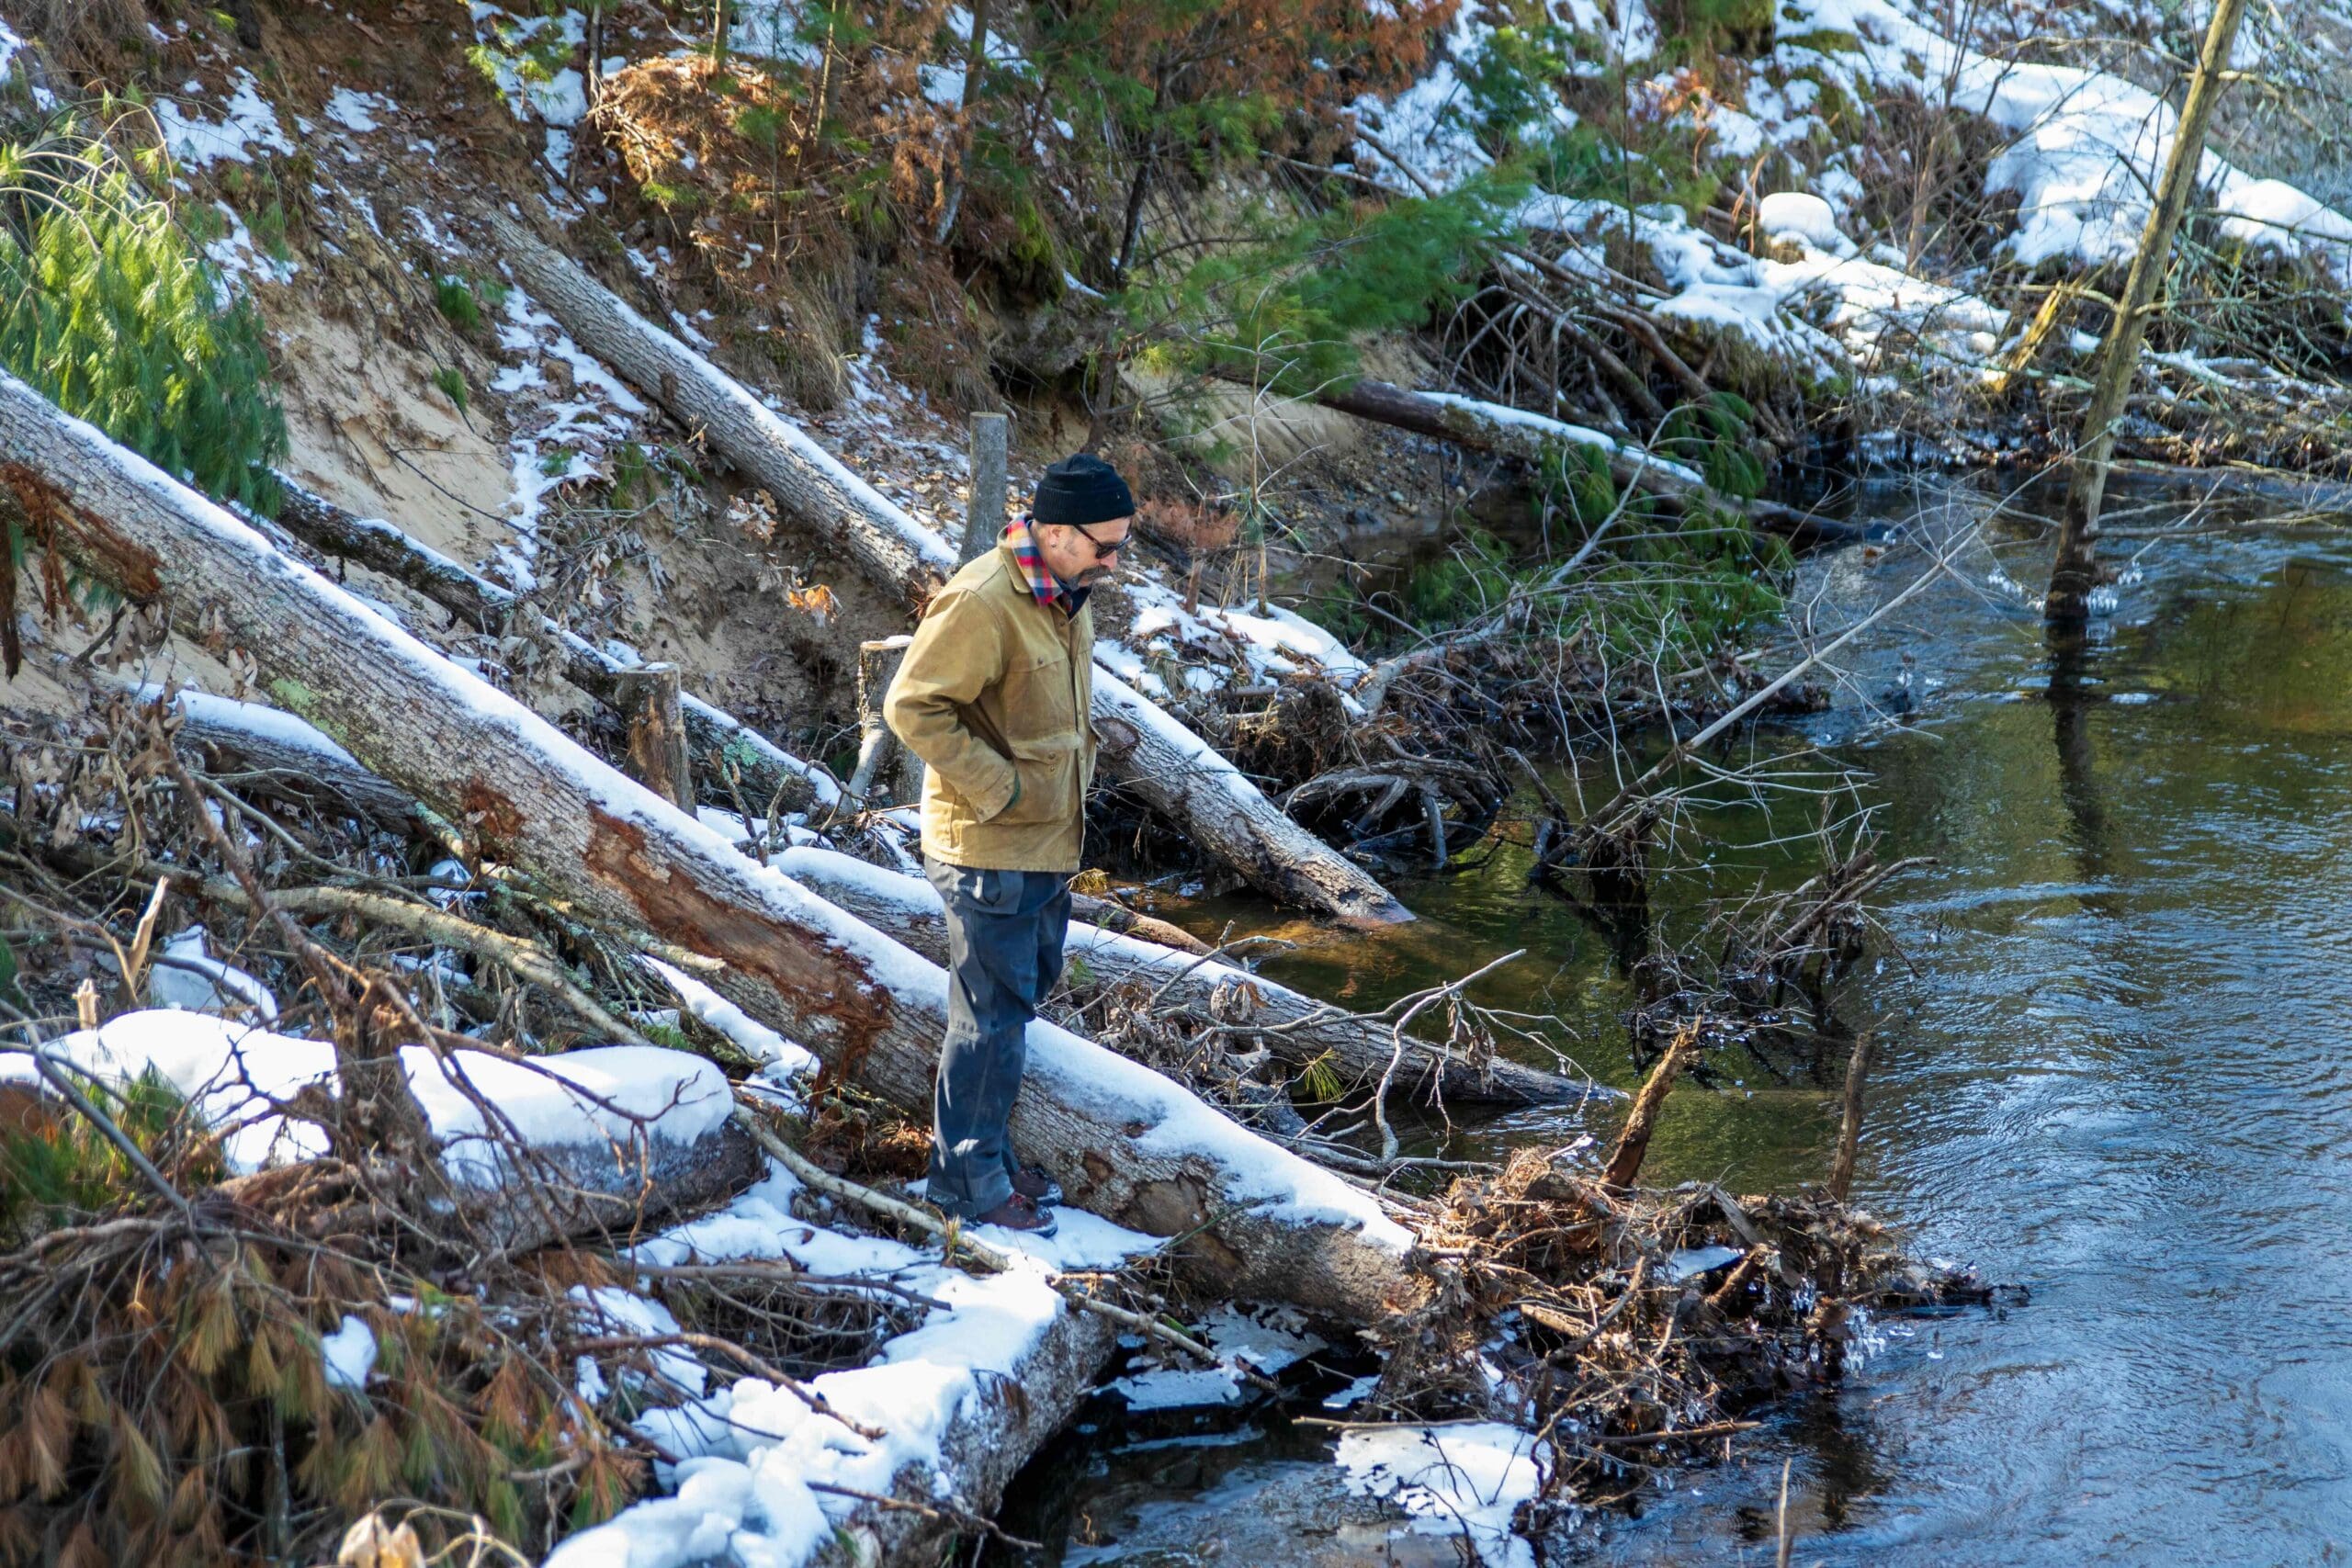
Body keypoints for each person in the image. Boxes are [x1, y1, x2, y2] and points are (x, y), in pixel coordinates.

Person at [881, 452, 1136, 1235]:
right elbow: (912, 706)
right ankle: (965, 1183)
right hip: (987, 847)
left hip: (1045, 844)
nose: (1114, 563)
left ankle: (987, 1153)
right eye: (1104, 547)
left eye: (1120, 546)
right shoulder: (984, 599)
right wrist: (1002, 788)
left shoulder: (1067, 592)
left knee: (1018, 1002)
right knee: (988, 1020)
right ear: (1056, 533)